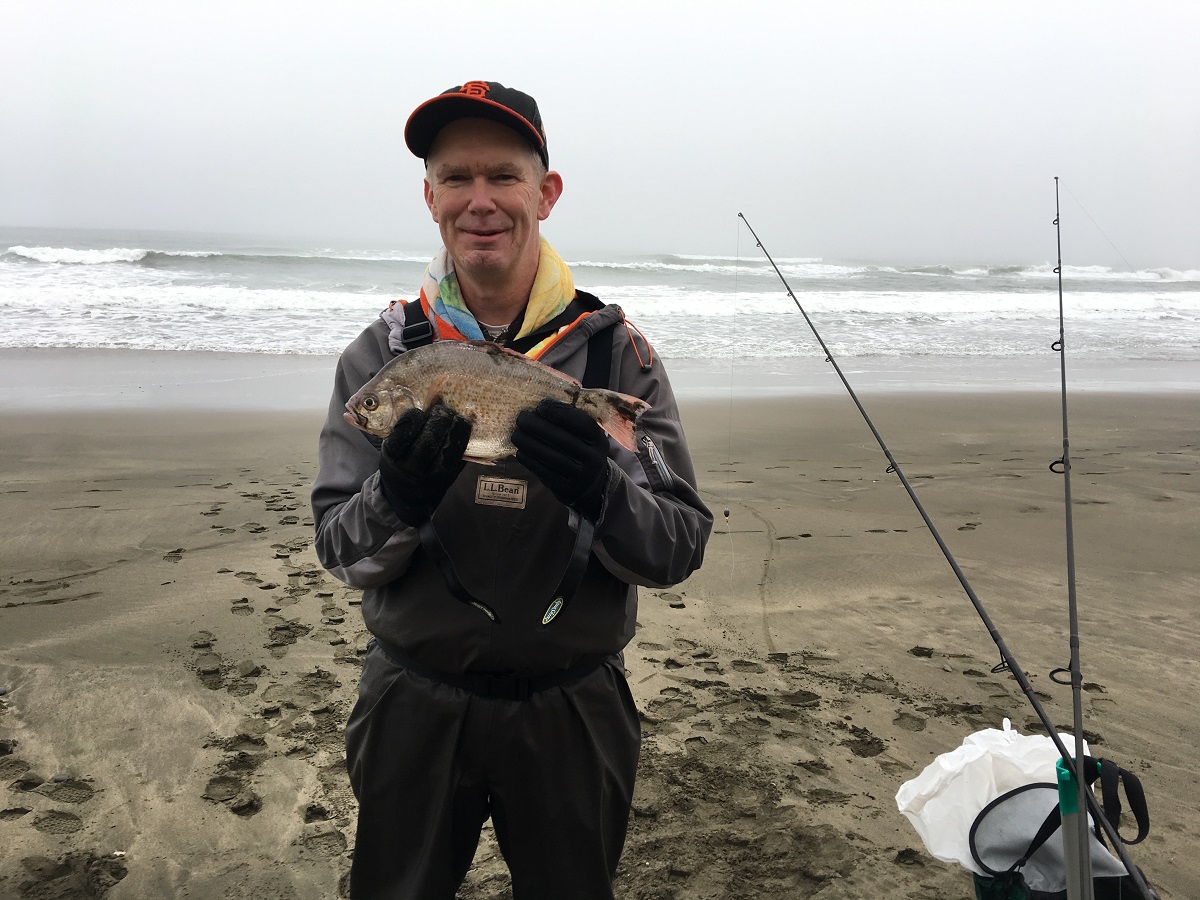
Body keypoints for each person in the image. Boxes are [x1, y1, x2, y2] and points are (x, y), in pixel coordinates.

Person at [311, 80, 712, 900]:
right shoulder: (381, 359)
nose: (479, 201)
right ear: (430, 198)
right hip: (412, 703)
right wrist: (399, 497)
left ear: (546, 192)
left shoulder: (615, 360)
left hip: (574, 710)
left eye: (503, 176)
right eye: (456, 178)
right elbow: (339, 550)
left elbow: (678, 546)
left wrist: (604, 492)